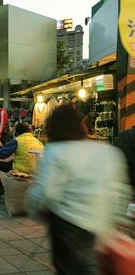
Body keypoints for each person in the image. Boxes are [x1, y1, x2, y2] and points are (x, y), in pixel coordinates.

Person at [27, 105, 131, 275]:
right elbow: (120, 190)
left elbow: (47, 193)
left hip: (67, 224)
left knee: (71, 269)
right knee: (94, 266)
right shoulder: (106, 151)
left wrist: (35, 209)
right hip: (101, 221)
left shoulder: (55, 152)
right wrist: (117, 219)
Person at [0, 122, 43, 198]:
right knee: (9, 162)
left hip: (20, 169)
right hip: (36, 170)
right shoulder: (38, 142)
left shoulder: (18, 140)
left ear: (17, 132)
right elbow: (28, 155)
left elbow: (0, 153)